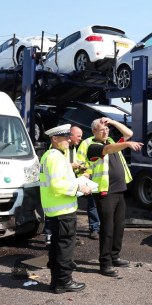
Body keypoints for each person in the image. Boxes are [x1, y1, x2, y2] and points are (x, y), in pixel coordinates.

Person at [84, 117, 143, 277]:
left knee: (119, 227)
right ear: (94, 131)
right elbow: (108, 150)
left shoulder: (109, 139)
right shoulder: (92, 145)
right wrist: (127, 144)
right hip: (105, 192)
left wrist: (112, 122)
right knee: (107, 228)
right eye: (102, 129)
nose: (106, 131)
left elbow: (129, 133)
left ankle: (115, 256)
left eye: (107, 129)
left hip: (119, 190)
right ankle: (105, 264)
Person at [40, 124, 92, 294]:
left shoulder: (50, 155)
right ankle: (64, 282)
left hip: (54, 210)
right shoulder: (56, 157)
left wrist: (72, 169)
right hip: (63, 211)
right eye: (65, 137)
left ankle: (57, 281)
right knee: (65, 248)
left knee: (56, 246)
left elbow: (57, 179)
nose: (69, 140)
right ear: (55, 139)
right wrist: (80, 188)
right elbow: (57, 185)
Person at [69, 126, 100, 239]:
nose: (80, 138)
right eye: (78, 136)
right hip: (85, 179)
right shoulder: (86, 143)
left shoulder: (108, 142)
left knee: (96, 205)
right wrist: (83, 173)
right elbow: (80, 161)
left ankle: (96, 228)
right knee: (91, 205)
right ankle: (93, 228)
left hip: (99, 180)